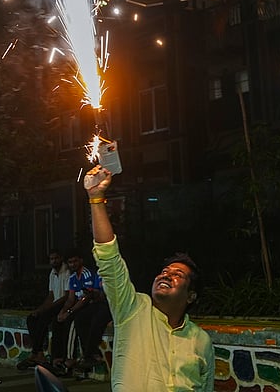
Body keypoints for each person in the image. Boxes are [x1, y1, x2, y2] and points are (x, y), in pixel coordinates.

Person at [84, 165, 215, 391]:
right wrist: (96, 198)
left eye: (177, 274)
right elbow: (109, 259)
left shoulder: (201, 340)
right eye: (164, 272)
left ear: (191, 295)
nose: (167, 275)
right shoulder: (132, 310)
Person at [16, 248, 70, 370]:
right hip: (54, 304)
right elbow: (50, 296)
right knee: (32, 318)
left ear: (61, 258)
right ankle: (38, 353)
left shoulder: (66, 271)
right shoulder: (52, 273)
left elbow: (67, 296)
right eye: (51, 259)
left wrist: (49, 308)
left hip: (63, 304)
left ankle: (36, 353)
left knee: (44, 318)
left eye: (56, 258)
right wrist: (40, 309)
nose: (54, 261)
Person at [50, 250, 99, 375]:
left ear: (81, 260)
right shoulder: (72, 277)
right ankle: (57, 357)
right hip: (78, 304)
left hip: (88, 305)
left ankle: (70, 359)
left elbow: (85, 298)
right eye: (70, 262)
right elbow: (71, 298)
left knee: (73, 323)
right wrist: (63, 312)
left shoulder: (86, 274)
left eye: (75, 261)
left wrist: (70, 312)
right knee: (58, 321)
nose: (72, 264)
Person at [73, 272, 112, 374]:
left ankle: (88, 355)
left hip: (112, 305)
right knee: (80, 318)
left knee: (97, 320)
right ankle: (92, 353)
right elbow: (96, 292)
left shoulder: (117, 272)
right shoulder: (99, 273)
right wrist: (92, 294)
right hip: (100, 303)